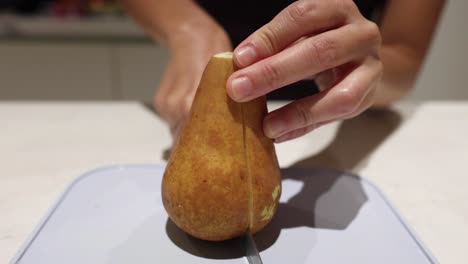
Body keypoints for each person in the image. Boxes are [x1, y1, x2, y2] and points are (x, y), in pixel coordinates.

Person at [123, 0, 445, 142]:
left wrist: (363, 70)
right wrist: (186, 27)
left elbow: (405, 54)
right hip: (202, 86)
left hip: (330, 113)